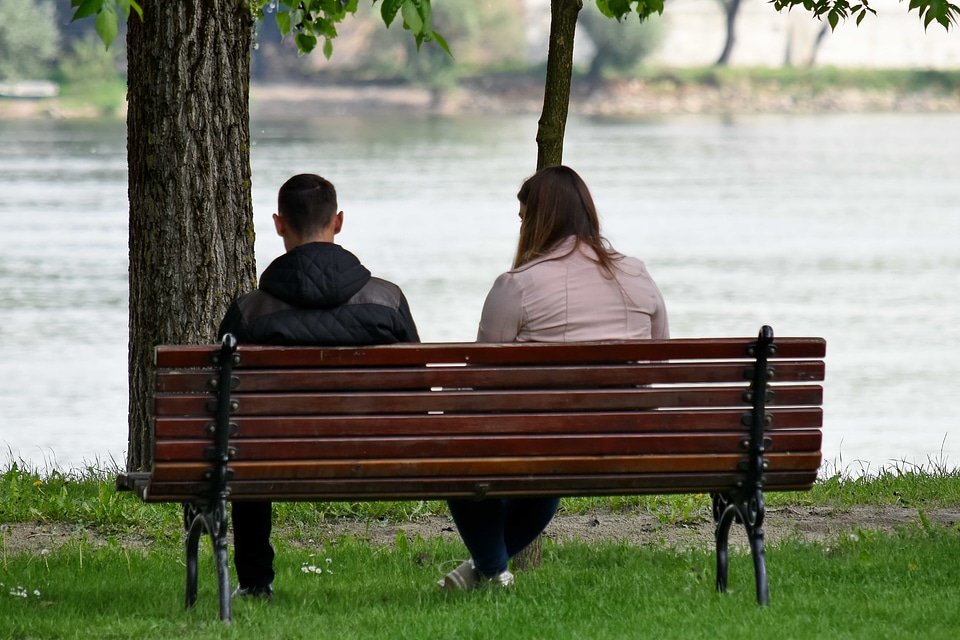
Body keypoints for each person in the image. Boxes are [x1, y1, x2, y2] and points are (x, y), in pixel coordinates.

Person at [439, 165, 669, 591]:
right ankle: (487, 570)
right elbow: (659, 361)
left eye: (525, 217)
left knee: (453, 458)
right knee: (547, 472)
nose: (522, 227)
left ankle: (490, 570)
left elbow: (480, 385)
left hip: (546, 438)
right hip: (625, 438)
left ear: (538, 221)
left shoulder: (517, 286)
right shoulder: (637, 275)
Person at [218, 174, 419, 598]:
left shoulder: (249, 313)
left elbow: (222, 406)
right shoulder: (388, 301)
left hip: (270, 458)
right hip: (382, 452)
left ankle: (255, 583)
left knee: (245, 443)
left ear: (278, 224)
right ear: (339, 221)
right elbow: (417, 390)